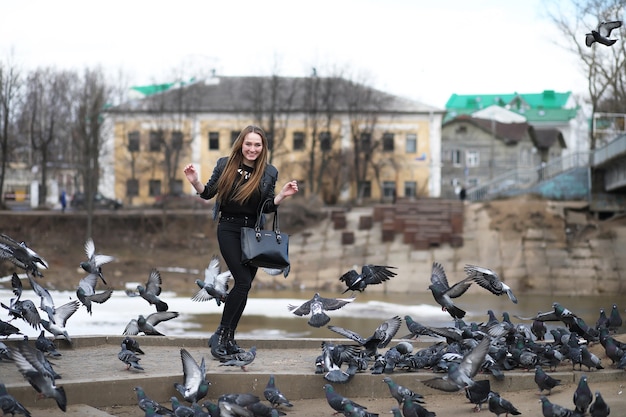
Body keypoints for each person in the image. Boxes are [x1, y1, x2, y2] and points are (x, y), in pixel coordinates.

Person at [183, 125, 298, 359]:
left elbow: (266, 206)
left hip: (253, 233)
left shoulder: (269, 172)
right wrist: (195, 181)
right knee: (243, 280)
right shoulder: (225, 164)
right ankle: (221, 334)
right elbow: (208, 193)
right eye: (248, 144)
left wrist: (282, 196)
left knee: (243, 287)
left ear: (263, 147)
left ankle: (229, 338)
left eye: (257, 145)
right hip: (229, 228)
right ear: (241, 144)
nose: (252, 149)